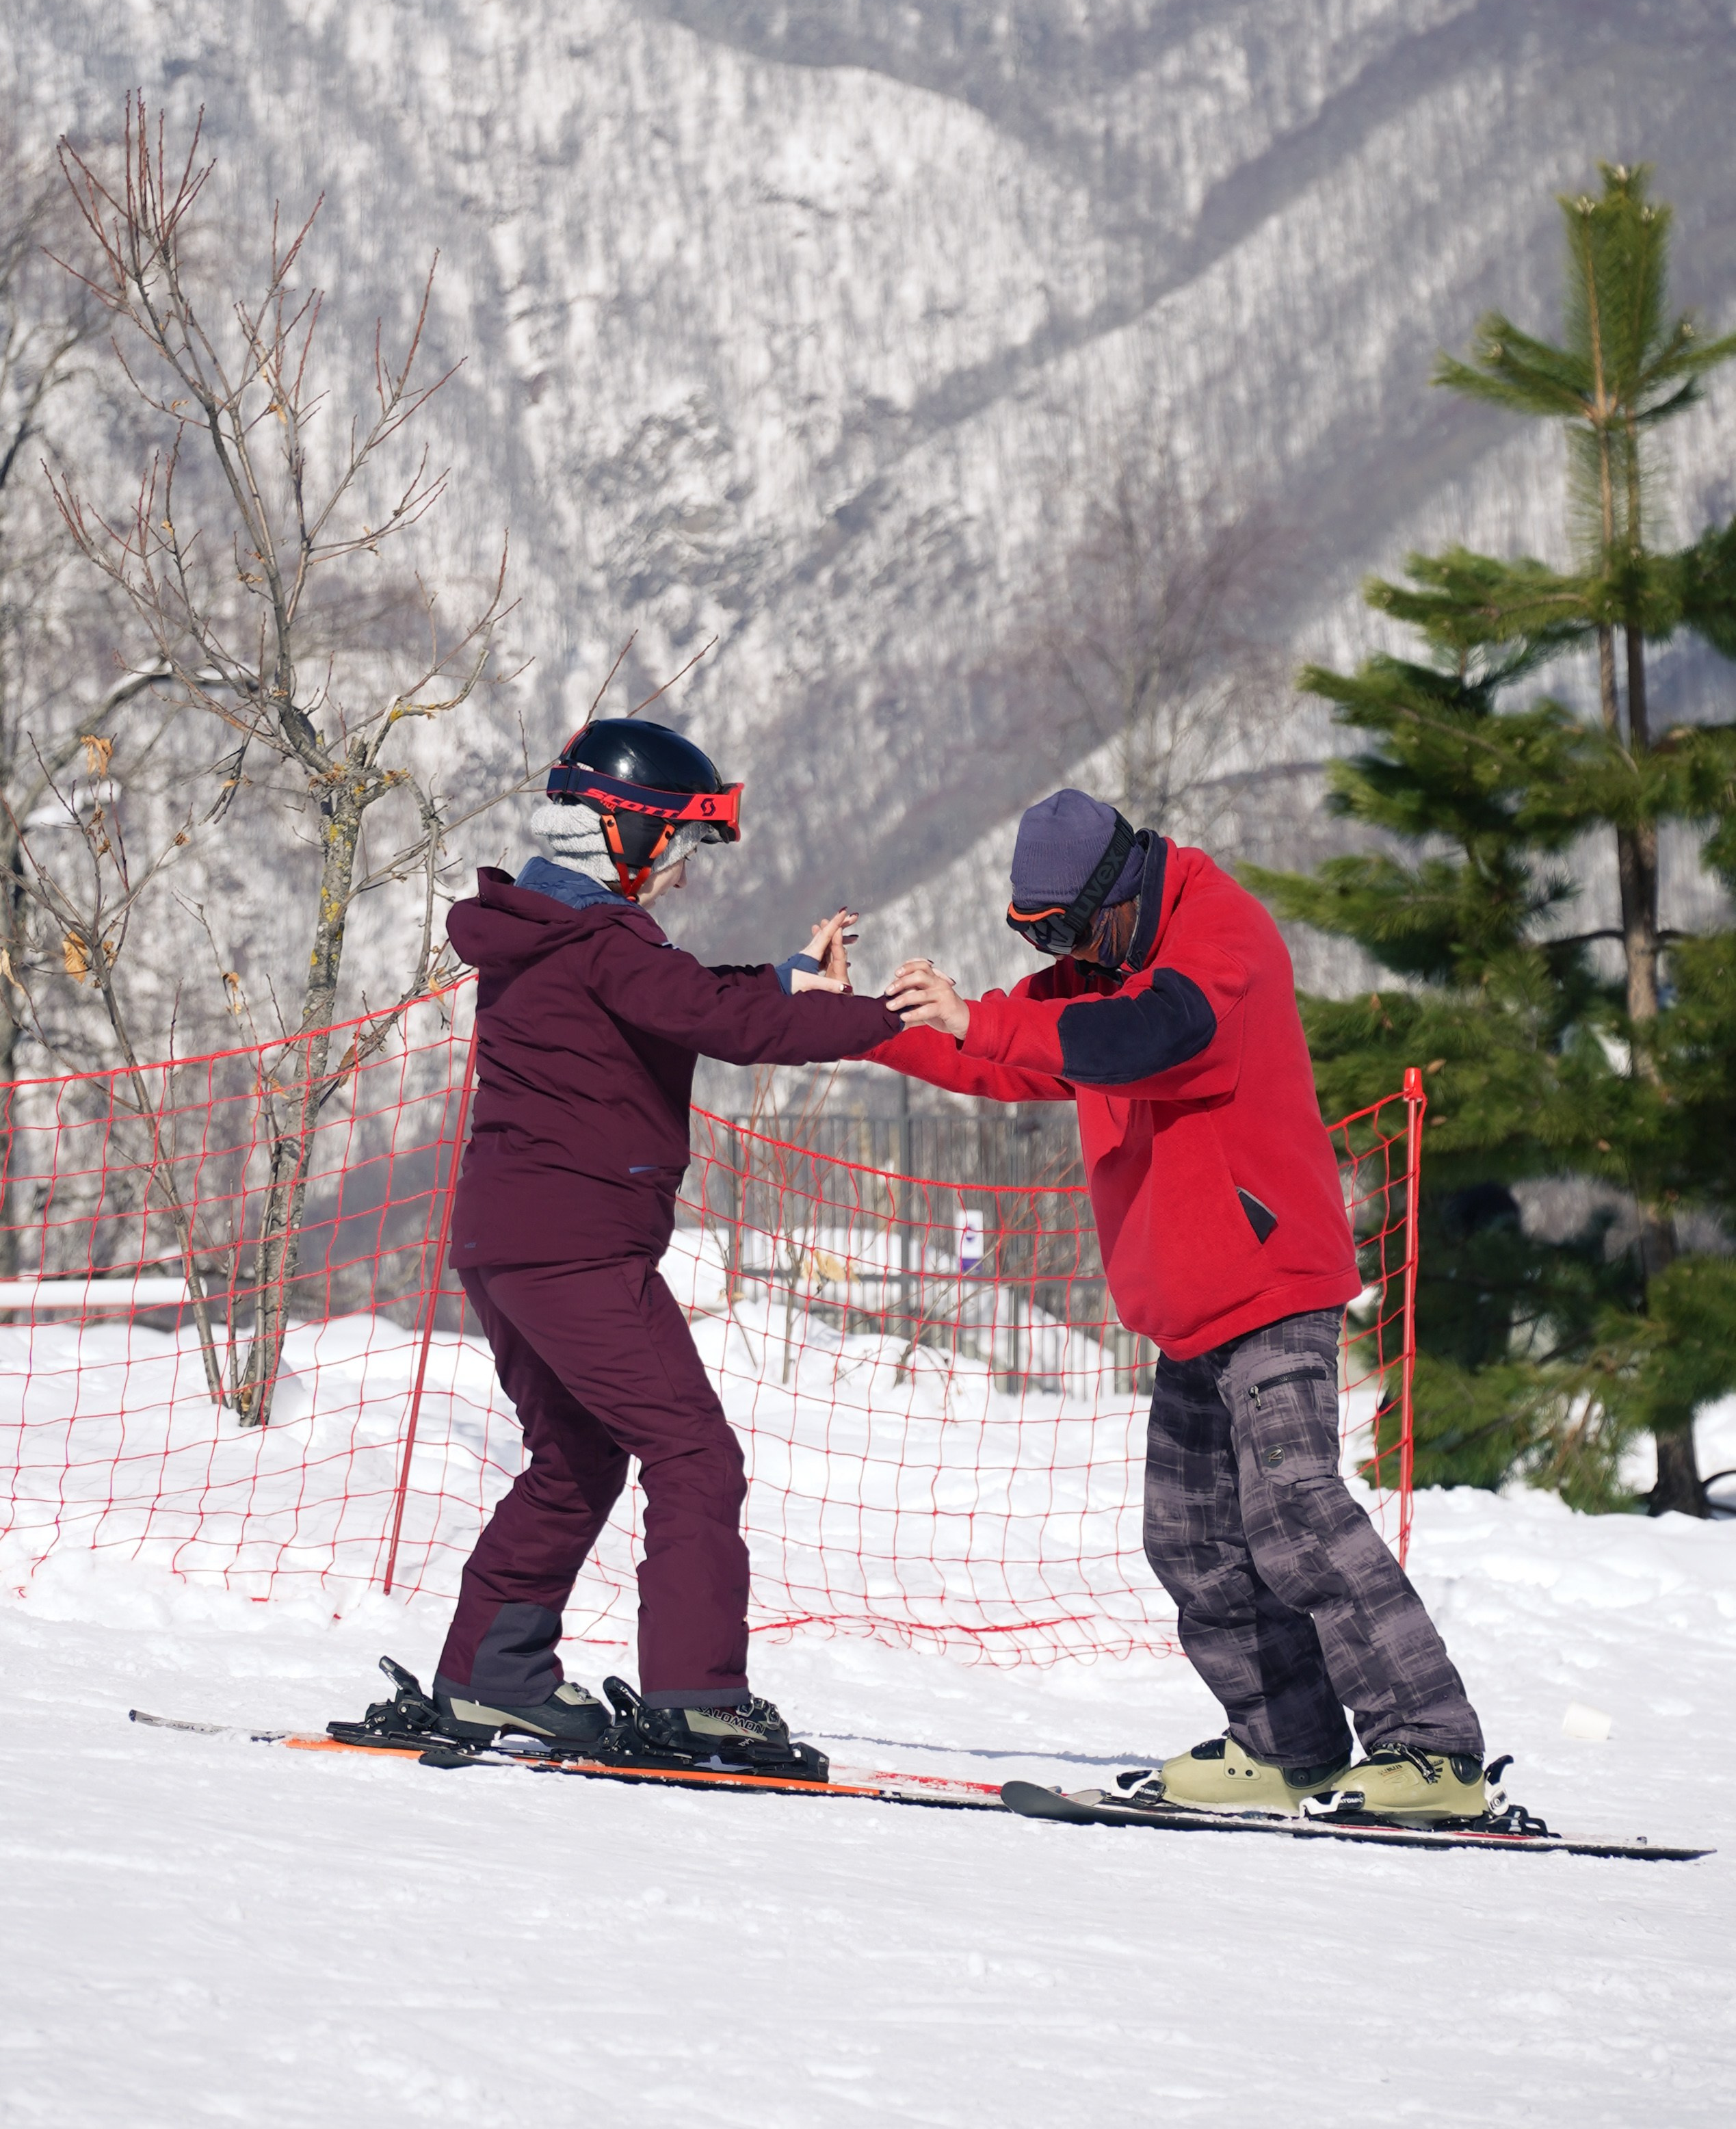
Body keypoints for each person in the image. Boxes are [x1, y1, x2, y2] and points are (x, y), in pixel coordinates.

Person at [878, 787, 1488, 1825]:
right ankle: (1285, 1746)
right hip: (1190, 1304)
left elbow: (1146, 1036)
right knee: (1190, 1536)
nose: (1061, 955)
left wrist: (989, 1016)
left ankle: (1431, 1752)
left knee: (1295, 1510)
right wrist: (870, 1023)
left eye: (1067, 931)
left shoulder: (1216, 935)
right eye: (1039, 938)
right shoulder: (1111, 962)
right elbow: (1021, 1050)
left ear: (1115, 895)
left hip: (1271, 1282)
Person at [369, 716, 902, 1775]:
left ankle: (493, 1676)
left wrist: (798, 979)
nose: (680, 878)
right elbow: (723, 1025)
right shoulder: (599, 939)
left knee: (575, 1457)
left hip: (508, 1241)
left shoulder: (551, 930)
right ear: (621, 833)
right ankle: (698, 1700)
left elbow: (691, 999)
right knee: (694, 1453)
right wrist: (895, 1020)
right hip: (576, 1247)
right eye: (678, 850)